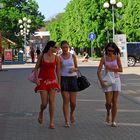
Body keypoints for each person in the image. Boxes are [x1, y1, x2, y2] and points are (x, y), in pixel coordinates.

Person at [34, 41, 60, 129]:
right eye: (55, 47)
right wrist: (37, 79)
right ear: (50, 47)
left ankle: (51, 122)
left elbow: (58, 71)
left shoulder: (56, 58)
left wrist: (59, 83)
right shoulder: (42, 56)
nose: (56, 49)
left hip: (52, 81)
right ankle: (41, 112)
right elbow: (36, 68)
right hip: (42, 81)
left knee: (52, 102)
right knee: (44, 103)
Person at [97, 42, 123, 127]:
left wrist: (111, 68)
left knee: (115, 101)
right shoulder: (104, 58)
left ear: (114, 50)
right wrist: (101, 81)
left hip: (116, 80)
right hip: (107, 80)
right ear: (106, 50)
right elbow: (99, 71)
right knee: (108, 102)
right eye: (108, 50)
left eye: (112, 50)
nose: (110, 52)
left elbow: (121, 69)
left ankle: (113, 121)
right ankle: (108, 112)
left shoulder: (117, 57)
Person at [60, 40, 78, 128]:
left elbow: (77, 67)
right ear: (61, 48)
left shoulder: (73, 56)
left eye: (66, 47)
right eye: (63, 47)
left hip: (73, 79)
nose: (65, 49)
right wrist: (58, 82)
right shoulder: (59, 58)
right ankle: (66, 120)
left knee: (73, 103)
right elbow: (58, 70)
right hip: (64, 79)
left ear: (68, 47)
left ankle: (71, 113)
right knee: (66, 101)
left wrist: (74, 69)